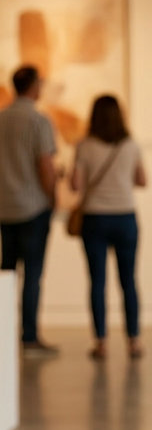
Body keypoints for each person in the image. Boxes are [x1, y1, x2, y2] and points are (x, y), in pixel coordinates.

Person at [70, 94, 146, 360]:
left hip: (95, 219)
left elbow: (76, 186)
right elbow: (142, 180)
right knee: (128, 281)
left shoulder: (84, 146)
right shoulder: (131, 145)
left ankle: (101, 342)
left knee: (97, 282)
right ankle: (134, 341)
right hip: (125, 218)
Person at [0, 64, 59, 357]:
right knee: (32, 275)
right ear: (34, 86)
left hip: (5, 208)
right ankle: (29, 337)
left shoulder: (2, 118)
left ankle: (3, 334)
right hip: (33, 208)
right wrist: (52, 197)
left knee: (6, 274)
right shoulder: (38, 120)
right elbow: (45, 165)